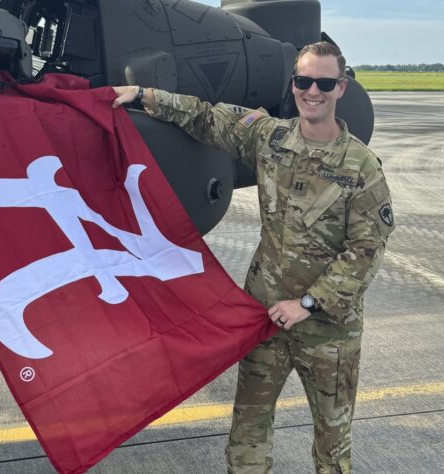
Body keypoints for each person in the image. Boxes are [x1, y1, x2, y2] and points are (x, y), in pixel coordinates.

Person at [113, 41, 394, 473]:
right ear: (293, 84)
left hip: (328, 332)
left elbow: (366, 251)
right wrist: (145, 97)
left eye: (323, 82)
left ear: (341, 88)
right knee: (248, 425)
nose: (311, 91)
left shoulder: (360, 166)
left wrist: (307, 304)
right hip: (265, 315)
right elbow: (207, 117)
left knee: (332, 440)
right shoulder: (270, 137)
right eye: (303, 81)